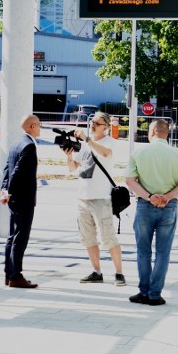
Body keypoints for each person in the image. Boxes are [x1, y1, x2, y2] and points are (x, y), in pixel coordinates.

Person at [125, 119, 178, 306]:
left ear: (153, 132)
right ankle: (155, 295)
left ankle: (143, 291)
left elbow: (130, 181)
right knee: (163, 253)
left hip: (144, 206)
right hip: (168, 208)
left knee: (143, 251)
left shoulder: (138, 153)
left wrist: (149, 197)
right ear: (166, 133)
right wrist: (168, 197)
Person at [64, 111, 125, 286]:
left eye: (97, 123)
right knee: (88, 237)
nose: (92, 125)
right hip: (83, 196)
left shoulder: (109, 142)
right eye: (92, 122)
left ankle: (119, 273)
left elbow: (105, 154)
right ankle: (96, 271)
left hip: (101, 197)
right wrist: (68, 156)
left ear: (105, 127)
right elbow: (73, 167)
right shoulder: (83, 145)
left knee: (108, 237)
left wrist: (87, 140)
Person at [0, 114, 42, 288]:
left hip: (14, 198)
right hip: (22, 198)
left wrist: (4, 190)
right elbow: (16, 171)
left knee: (12, 236)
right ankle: (16, 275)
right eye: (39, 125)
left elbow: (7, 168)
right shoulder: (29, 146)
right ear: (32, 126)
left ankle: (9, 274)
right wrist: (8, 191)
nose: (40, 127)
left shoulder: (17, 143)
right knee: (20, 237)